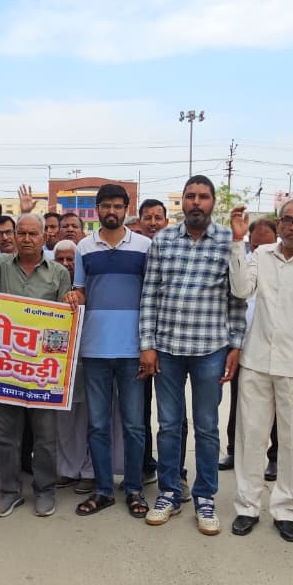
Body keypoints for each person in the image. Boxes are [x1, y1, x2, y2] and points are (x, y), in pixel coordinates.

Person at [139, 175, 246, 535]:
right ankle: (170, 491)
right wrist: (147, 345)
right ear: (181, 203)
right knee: (169, 425)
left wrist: (235, 345)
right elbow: (150, 295)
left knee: (207, 427)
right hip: (167, 349)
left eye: (203, 197)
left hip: (210, 349)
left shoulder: (228, 243)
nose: (196, 202)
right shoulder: (164, 241)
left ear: (213, 202)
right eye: (190, 197)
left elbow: (237, 299)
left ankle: (205, 496)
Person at [227, 201, 293, 542]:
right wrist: (237, 241)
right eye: (288, 220)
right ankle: (247, 506)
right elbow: (241, 290)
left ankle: (286, 510)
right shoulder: (261, 255)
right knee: (251, 438)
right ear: (279, 223)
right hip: (257, 361)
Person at [0, 196, 72, 518]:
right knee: (7, 438)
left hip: (43, 371)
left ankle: (45, 490)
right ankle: (11, 492)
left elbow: (65, 317)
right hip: (6, 367)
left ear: (43, 238)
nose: (25, 239)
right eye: (20, 233)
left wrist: (73, 300)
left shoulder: (58, 273)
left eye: (32, 234)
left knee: (45, 437)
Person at [64, 184, 152, 520]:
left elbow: (151, 296)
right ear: (97, 210)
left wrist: (149, 346)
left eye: (117, 206)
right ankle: (103, 490)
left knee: (133, 426)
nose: (111, 211)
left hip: (133, 350)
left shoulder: (145, 246)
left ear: (127, 208)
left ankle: (133, 489)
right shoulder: (84, 248)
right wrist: (73, 297)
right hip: (95, 349)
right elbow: (82, 291)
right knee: (98, 425)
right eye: (105, 206)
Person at [220, 217, 281, 475]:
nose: (261, 251)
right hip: (242, 346)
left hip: (275, 348)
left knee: (277, 407)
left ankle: (275, 456)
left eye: (267, 245)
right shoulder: (240, 263)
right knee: (238, 403)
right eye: (256, 245)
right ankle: (234, 450)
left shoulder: (282, 266)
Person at [51, 239, 94, 494]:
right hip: (56, 367)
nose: (66, 264)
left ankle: (89, 472)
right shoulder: (49, 283)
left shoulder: (91, 284)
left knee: (91, 420)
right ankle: (67, 470)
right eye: (61, 259)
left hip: (89, 361)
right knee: (63, 422)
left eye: (71, 260)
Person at [134, 198, 169, 482]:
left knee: (172, 414)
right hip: (139, 341)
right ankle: (145, 463)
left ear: (166, 222)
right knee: (140, 408)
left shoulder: (174, 249)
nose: (153, 222)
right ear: (140, 221)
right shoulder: (135, 249)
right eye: (148, 217)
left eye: (158, 217)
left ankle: (175, 473)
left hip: (171, 342)